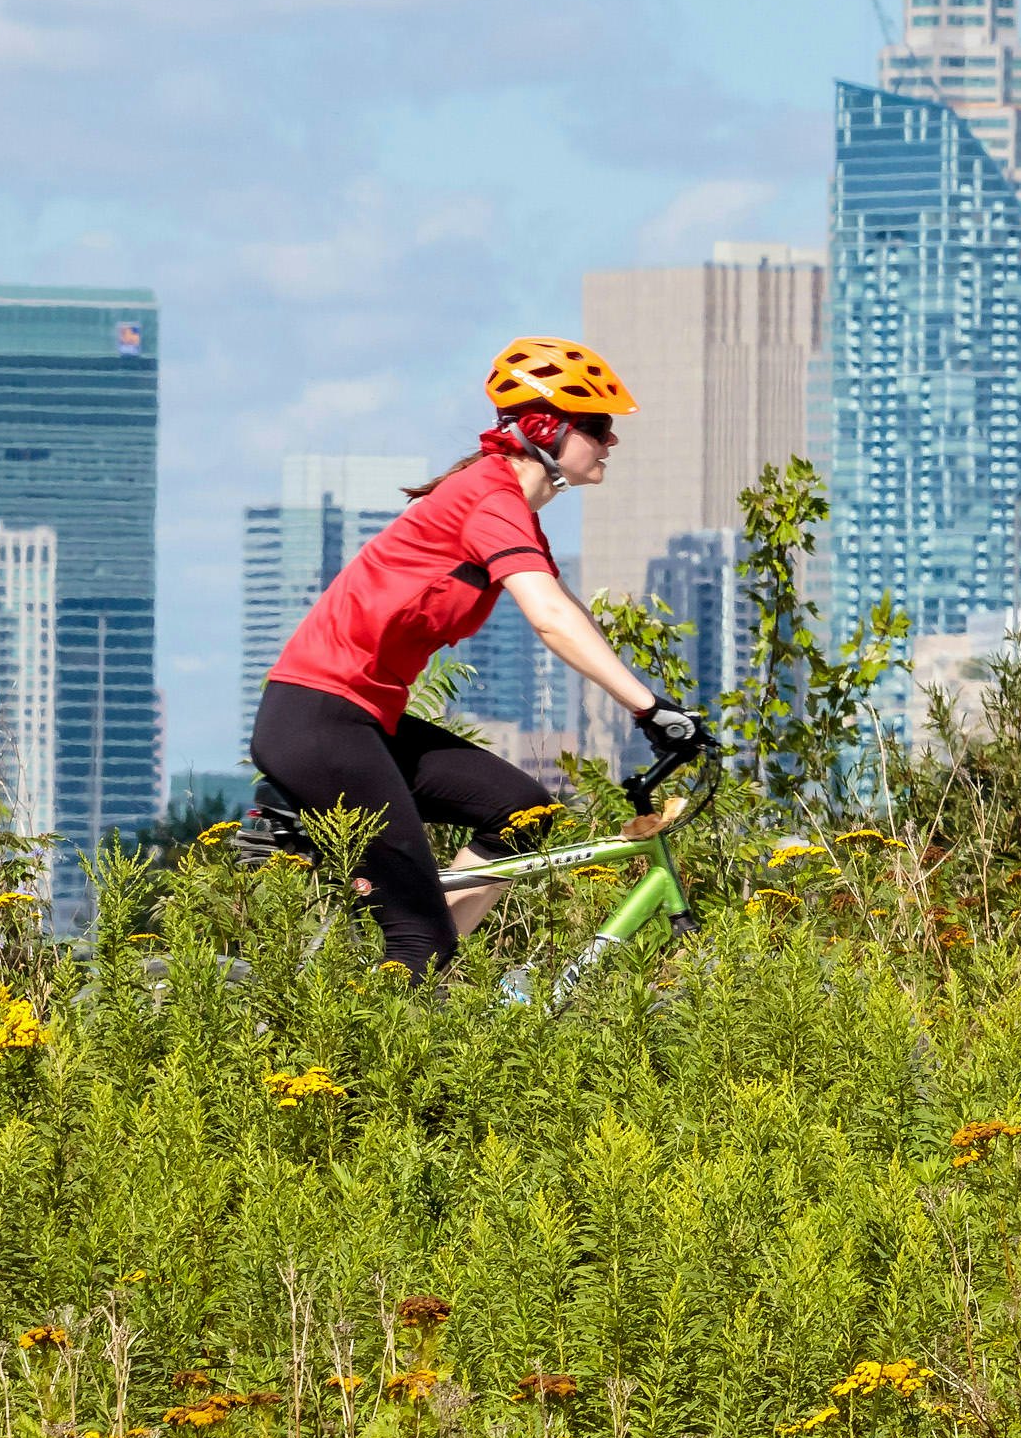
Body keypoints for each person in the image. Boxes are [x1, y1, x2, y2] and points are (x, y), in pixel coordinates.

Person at [251, 337, 708, 970]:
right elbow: (548, 622)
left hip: (359, 720)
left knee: (520, 813)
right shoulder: (488, 499)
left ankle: (426, 969)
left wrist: (660, 711)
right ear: (546, 427)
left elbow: (569, 610)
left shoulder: (504, 503)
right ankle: (405, 1001)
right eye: (599, 426)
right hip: (319, 721)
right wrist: (647, 710)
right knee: (417, 938)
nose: (612, 442)